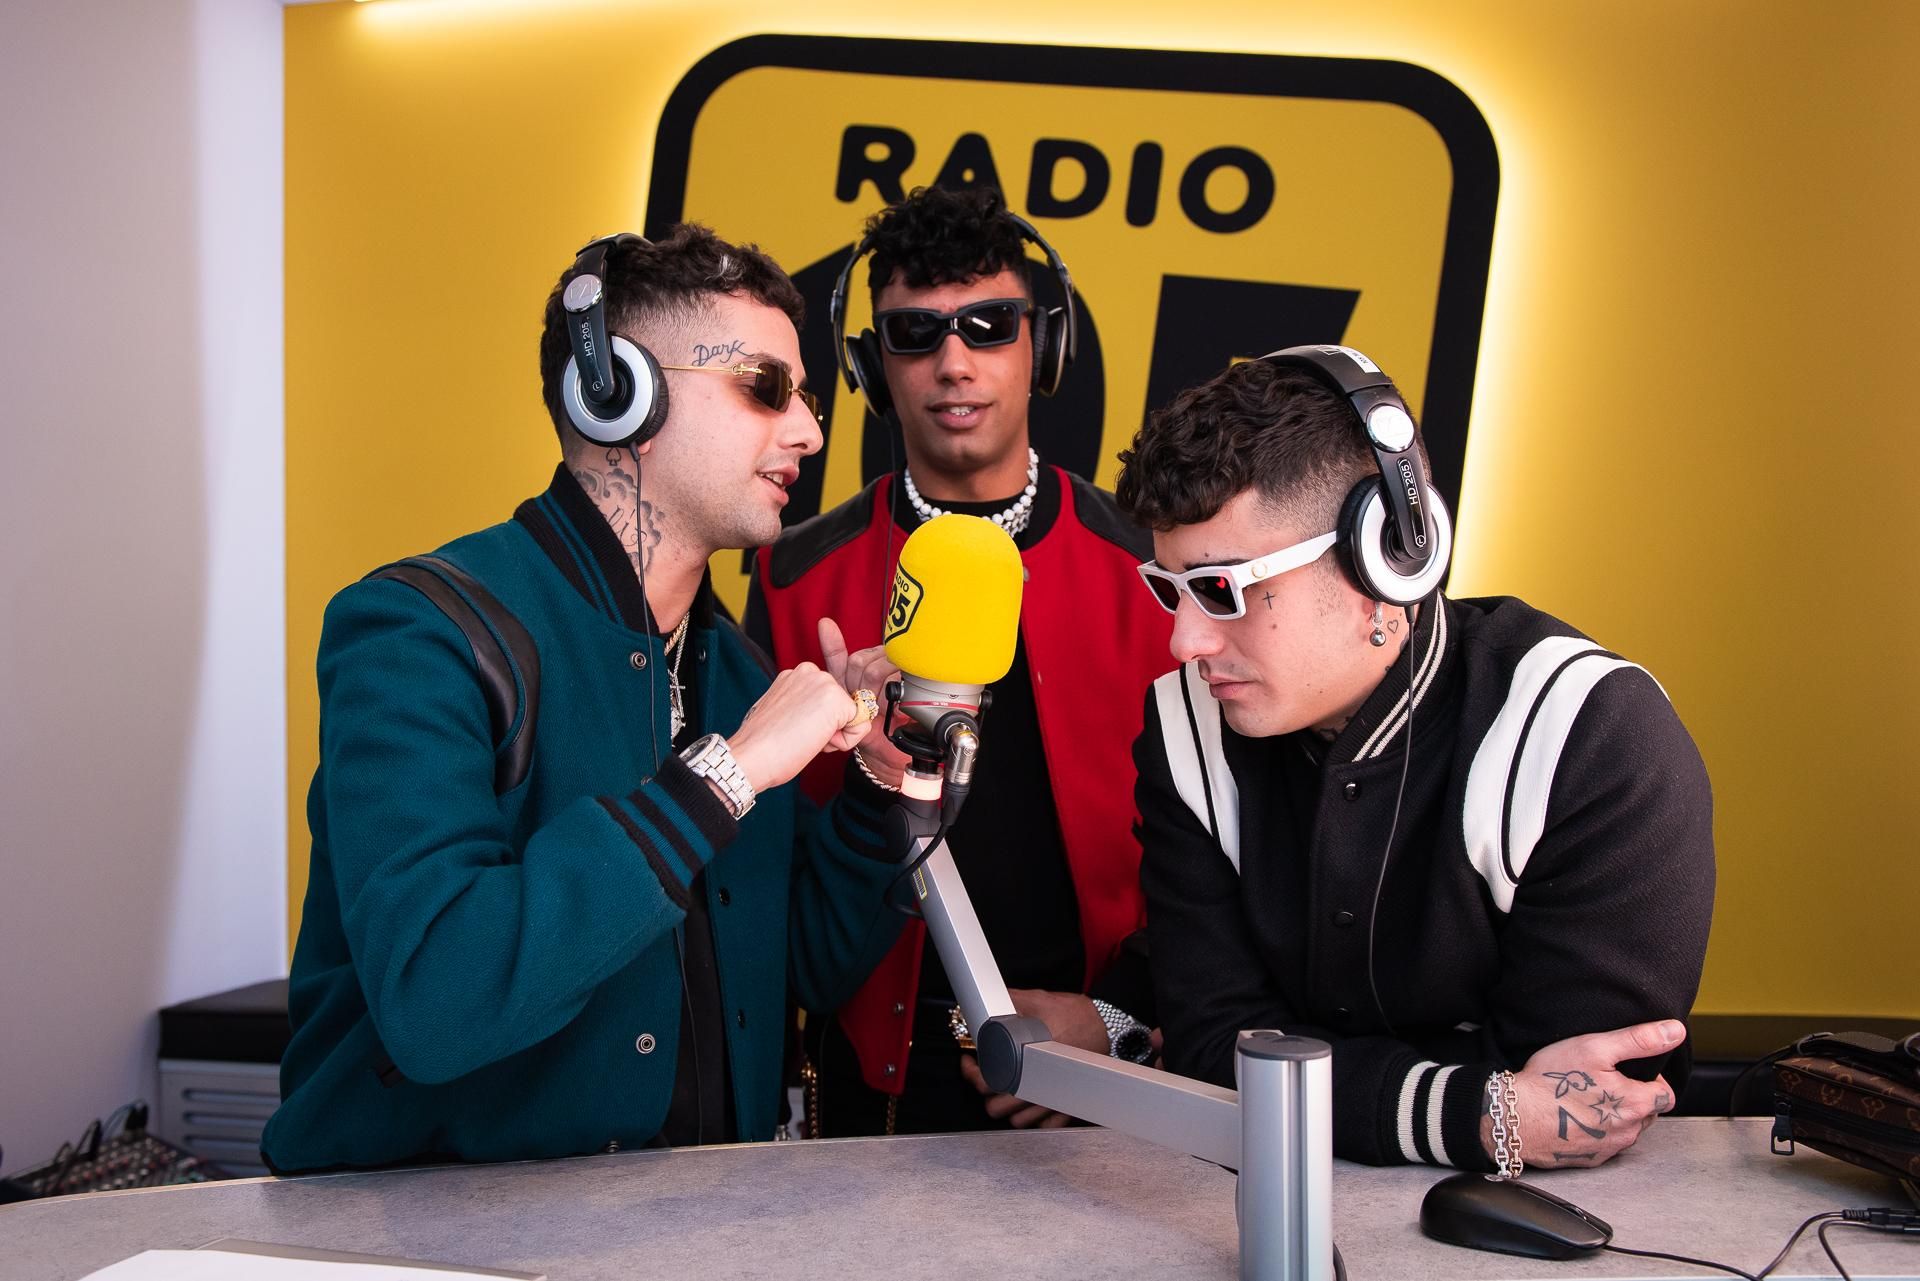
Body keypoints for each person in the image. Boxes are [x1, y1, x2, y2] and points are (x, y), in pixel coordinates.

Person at [262, 226, 905, 1172]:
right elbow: (438, 1001)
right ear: (618, 394)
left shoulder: (736, 671)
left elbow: (796, 968)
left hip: (704, 1226)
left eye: (804, 396)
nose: (809, 429)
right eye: (766, 386)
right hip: (427, 1234)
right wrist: (726, 776)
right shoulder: (415, 632)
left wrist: (882, 790)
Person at [1115, 346, 1714, 1172]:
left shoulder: (1589, 735)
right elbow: (1213, 1047)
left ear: (1386, 556)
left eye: (1223, 590)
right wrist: (1476, 1110)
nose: (1186, 641)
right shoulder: (1184, 726)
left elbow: (1586, 1099)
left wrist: (1318, 1077)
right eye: (1170, 588)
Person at [745, 186, 1173, 1135]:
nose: (953, 362)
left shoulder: (1152, 569)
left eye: (989, 325)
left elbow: (1225, 853)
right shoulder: (793, 576)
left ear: (1042, 347)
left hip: (1101, 1070)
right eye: (915, 334)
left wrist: (1114, 1021)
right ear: (871, 368)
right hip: (874, 1087)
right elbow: (762, 875)